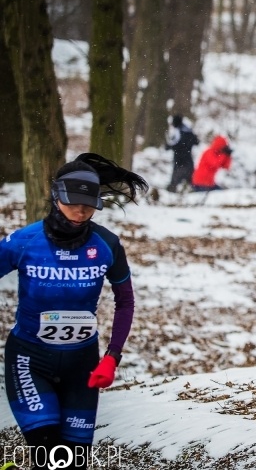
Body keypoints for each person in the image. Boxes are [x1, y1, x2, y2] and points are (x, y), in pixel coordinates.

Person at [0, 153, 148, 470]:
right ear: (56, 197)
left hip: (82, 365)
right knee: (49, 452)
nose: (80, 212)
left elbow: (125, 302)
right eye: (73, 203)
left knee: (73, 462)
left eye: (88, 204)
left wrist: (112, 357)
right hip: (29, 360)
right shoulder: (25, 241)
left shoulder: (107, 245)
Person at [165, 113, 200, 193]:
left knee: (174, 183)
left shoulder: (177, 132)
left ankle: (172, 192)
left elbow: (171, 145)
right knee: (190, 182)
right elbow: (196, 142)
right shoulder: (188, 130)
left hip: (179, 161)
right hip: (188, 161)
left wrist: (170, 146)